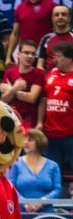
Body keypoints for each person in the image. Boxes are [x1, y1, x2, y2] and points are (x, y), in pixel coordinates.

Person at [37, 42, 73, 174]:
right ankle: (55, 194)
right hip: (51, 133)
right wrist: (40, 122)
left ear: (69, 58)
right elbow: (44, 99)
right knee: (53, 171)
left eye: (58, 56)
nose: (54, 60)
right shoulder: (51, 74)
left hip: (70, 134)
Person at [8, 128, 61, 212]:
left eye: (30, 140)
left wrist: (42, 201)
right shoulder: (15, 163)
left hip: (46, 213)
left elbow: (57, 189)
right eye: (24, 139)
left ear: (40, 142)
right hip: (21, 211)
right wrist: (25, 203)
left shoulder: (53, 166)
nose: (25, 142)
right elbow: (10, 187)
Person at [7, 0, 57, 66]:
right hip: (25, 56)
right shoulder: (20, 7)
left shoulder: (51, 6)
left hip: (44, 57)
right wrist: (8, 56)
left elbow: (56, 33)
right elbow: (15, 34)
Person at [1, 40, 45, 129]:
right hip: (11, 118)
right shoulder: (9, 72)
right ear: (18, 54)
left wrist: (12, 90)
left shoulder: (39, 73)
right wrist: (14, 89)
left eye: (33, 54)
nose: (30, 56)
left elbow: (32, 98)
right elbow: (4, 99)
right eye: (26, 53)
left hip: (29, 121)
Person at [36, 5, 73, 72]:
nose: (60, 17)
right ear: (52, 18)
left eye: (63, 14)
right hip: (50, 79)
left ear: (69, 17)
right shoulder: (46, 38)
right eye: (57, 15)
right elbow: (40, 65)